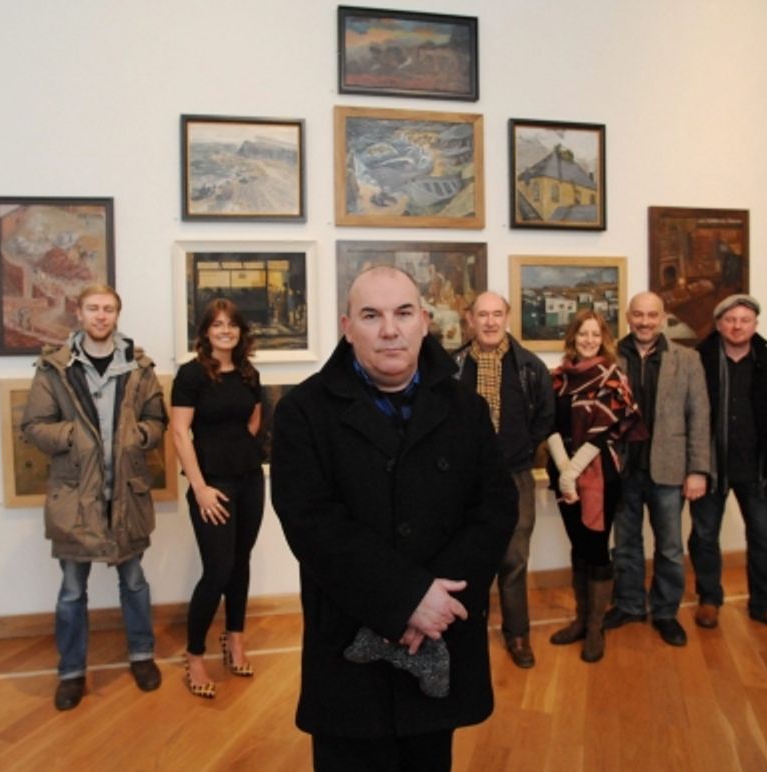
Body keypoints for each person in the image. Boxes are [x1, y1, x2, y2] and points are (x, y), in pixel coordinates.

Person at [270, 265, 517, 770]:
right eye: (371, 315)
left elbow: (494, 509)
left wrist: (438, 604)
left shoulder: (466, 409)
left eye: (403, 313)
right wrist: (407, 597)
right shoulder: (302, 411)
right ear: (346, 326)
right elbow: (312, 524)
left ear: (425, 321)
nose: (389, 329)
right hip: (349, 650)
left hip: (440, 638)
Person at [20, 284, 168, 711]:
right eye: (93, 309)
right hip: (74, 495)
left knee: (135, 582)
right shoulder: (55, 367)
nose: (101, 316)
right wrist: (76, 438)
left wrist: (137, 436)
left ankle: (142, 655)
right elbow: (34, 425)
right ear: (79, 313)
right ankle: (71, 671)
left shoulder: (139, 366)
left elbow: (155, 419)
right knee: (71, 590)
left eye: (108, 309)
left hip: (126, 492)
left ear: (117, 314)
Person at [451, 291, 554, 669]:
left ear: (507, 318)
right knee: (464, 558)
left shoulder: (529, 367)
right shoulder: (453, 367)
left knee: (513, 558)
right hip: (465, 480)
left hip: (515, 476)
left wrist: (523, 447)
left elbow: (545, 415)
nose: (491, 322)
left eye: (497, 314)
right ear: (470, 320)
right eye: (483, 315)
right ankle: (463, 636)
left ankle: (518, 633)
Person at [171, 298, 265, 699]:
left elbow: (254, 418)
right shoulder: (191, 375)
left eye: (232, 324)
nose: (225, 330)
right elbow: (179, 433)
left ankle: (235, 639)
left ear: (240, 331)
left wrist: (241, 447)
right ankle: (194, 656)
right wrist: (201, 487)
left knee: (240, 562)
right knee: (218, 570)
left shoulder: (248, 372)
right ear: (205, 331)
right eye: (217, 324)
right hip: (213, 485)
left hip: (250, 480)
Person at [605, 292, 711, 647]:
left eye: (652, 315)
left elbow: (699, 417)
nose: (645, 322)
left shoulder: (688, 359)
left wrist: (698, 470)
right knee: (626, 546)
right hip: (624, 470)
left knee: (668, 547)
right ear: (628, 316)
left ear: (663, 318)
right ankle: (630, 604)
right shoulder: (610, 357)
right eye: (638, 315)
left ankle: (665, 612)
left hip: (669, 469)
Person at [690, 295, 767, 635]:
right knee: (705, 537)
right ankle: (709, 598)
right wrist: (692, 466)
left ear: (755, 324)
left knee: (764, 540)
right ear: (719, 323)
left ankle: (765, 604)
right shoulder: (698, 361)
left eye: (745, 320)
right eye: (730, 320)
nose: (737, 326)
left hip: (757, 469)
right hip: (711, 467)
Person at [545, 311, 642, 663]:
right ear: (573, 337)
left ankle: (596, 627)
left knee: (597, 547)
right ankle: (580, 621)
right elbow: (549, 425)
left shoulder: (614, 378)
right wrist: (564, 470)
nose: (588, 340)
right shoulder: (556, 378)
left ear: (603, 339)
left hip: (601, 473)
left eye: (595, 335)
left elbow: (605, 431)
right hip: (562, 470)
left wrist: (573, 471)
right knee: (578, 545)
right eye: (582, 334)